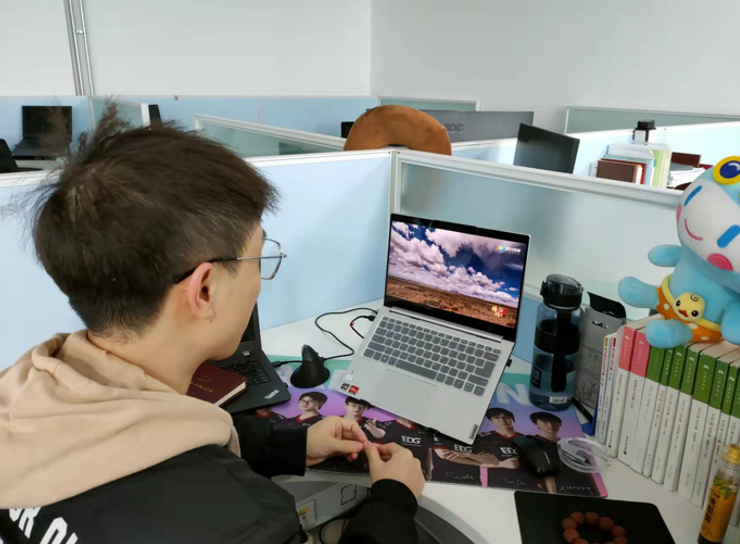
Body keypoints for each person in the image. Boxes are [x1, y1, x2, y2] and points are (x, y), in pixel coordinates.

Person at [0, 110, 426, 544]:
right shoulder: (248, 523)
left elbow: (151, 438)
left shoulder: (20, 398)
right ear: (204, 290)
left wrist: (291, 445)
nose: (259, 280)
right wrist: (393, 501)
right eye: (258, 259)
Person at [529, 412, 598, 496]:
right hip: (558, 493)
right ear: (536, 424)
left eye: (554, 421)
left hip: (584, 492)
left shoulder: (571, 445)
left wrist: (596, 493)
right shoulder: (532, 443)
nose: (550, 425)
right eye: (545, 422)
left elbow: (587, 473)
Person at [476, 408, 543, 491]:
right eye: (497, 418)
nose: (502, 420)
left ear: (513, 419)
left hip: (528, 486)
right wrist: (502, 464)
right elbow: (477, 462)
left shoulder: (527, 439)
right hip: (500, 485)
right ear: (491, 421)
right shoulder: (485, 438)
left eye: (506, 417)